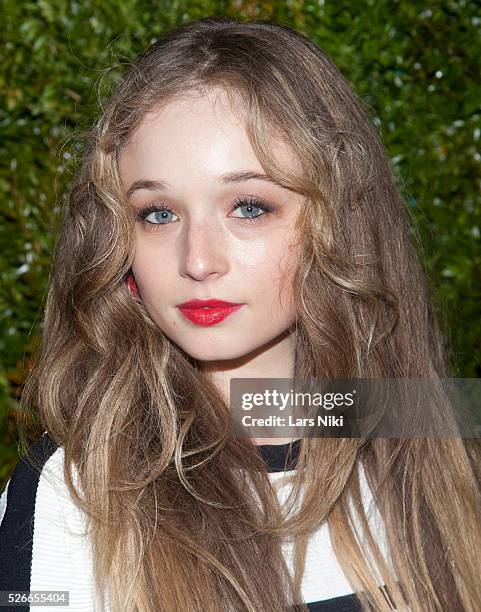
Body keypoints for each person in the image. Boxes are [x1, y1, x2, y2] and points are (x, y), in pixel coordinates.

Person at [1, 15, 481, 612]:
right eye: (157, 214)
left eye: (249, 206)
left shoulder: (434, 445)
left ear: (339, 218)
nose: (198, 261)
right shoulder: (73, 496)